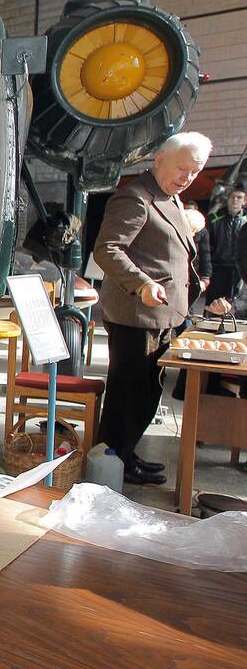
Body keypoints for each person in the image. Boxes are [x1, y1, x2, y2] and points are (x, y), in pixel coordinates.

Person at [93, 132, 229, 485]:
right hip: (136, 316)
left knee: (148, 392)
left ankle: (126, 452)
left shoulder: (170, 198)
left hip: (164, 315)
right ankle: (111, 459)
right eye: (181, 168)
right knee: (129, 392)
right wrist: (141, 283)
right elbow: (107, 250)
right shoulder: (134, 198)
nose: (186, 178)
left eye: (194, 173)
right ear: (158, 160)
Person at [206, 187, 245, 309]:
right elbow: (207, 246)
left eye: (239, 197)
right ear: (227, 199)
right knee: (213, 306)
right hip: (218, 270)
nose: (235, 200)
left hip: (239, 272)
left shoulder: (245, 223)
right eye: (232, 197)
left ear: (244, 201)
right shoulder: (215, 220)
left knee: (235, 306)